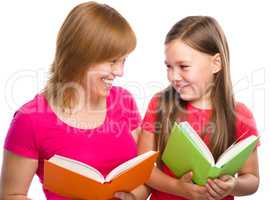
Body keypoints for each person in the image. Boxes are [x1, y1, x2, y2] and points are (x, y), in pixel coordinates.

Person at [0, 2, 149, 200]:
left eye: (123, 60)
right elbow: (11, 195)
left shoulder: (124, 100)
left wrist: (132, 198)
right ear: (80, 56)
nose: (120, 72)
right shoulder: (30, 120)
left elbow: (146, 178)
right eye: (112, 61)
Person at [138, 16, 259, 200]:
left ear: (216, 63)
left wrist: (233, 185)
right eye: (169, 67)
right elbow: (143, 169)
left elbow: (252, 180)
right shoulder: (160, 104)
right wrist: (178, 188)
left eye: (183, 66)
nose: (174, 76)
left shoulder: (240, 114)